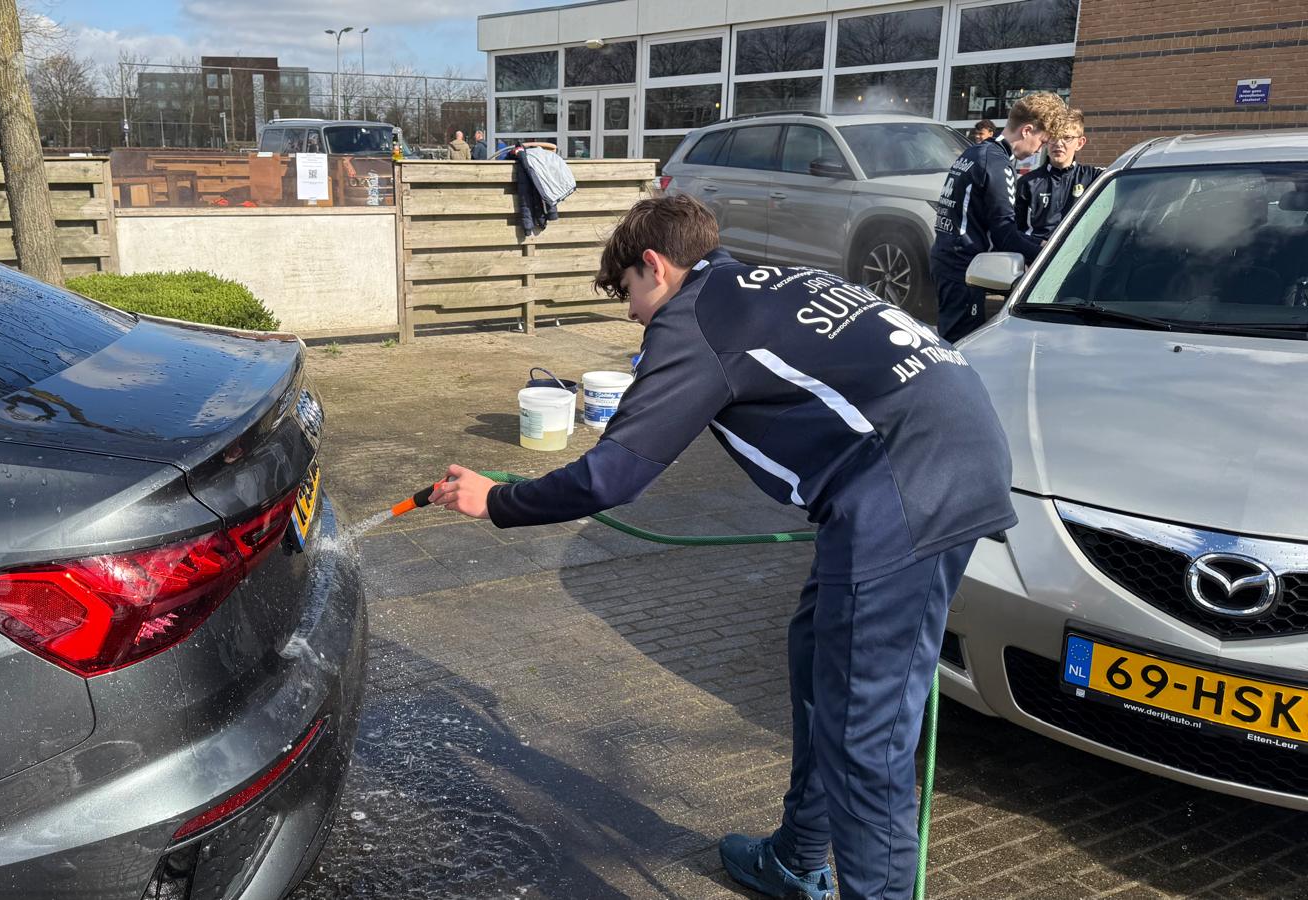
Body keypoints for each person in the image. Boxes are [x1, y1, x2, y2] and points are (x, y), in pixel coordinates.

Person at [428, 195, 1016, 900]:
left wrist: (496, 500)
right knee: (815, 653)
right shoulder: (758, 285)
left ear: (655, 265)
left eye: (628, 292)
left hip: (908, 485)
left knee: (868, 736)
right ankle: (799, 857)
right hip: (939, 456)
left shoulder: (696, 317)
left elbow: (612, 476)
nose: (630, 312)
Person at [929, 92, 1069, 342]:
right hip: (963, 269)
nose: (1040, 149)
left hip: (947, 258)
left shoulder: (975, 152)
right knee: (961, 346)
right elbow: (1004, 233)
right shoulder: (996, 163)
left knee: (951, 339)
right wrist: (1046, 253)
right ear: (1027, 130)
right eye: (1042, 140)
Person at [1015, 109, 1103, 241]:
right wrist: (1039, 247)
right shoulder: (1027, 182)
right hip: (1037, 257)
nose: (1058, 143)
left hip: (1077, 257)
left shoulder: (1095, 178)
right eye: (1053, 137)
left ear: (1080, 143)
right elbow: (1015, 232)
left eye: (1067, 137)